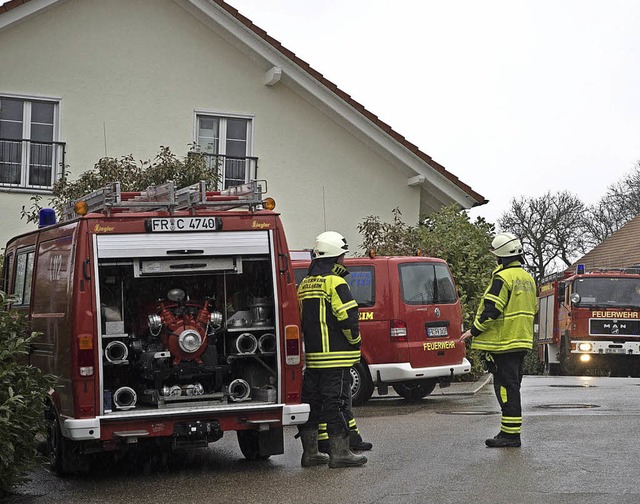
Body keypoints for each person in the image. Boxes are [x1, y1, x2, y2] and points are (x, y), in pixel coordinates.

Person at [296, 231, 367, 468]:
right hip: (336, 358)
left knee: (312, 405)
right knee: (335, 404)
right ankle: (340, 454)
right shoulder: (336, 282)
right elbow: (348, 318)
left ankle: (310, 453)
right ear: (336, 257)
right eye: (343, 256)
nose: (344, 260)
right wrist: (355, 341)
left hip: (313, 359)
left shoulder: (305, 284)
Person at [460, 232, 537, 448]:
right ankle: (509, 432)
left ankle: (510, 436)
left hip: (504, 343)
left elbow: (491, 310)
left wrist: (473, 331)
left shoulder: (503, 278)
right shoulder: (528, 279)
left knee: (505, 388)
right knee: (513, 387)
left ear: (501, 257)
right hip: (520, 341)